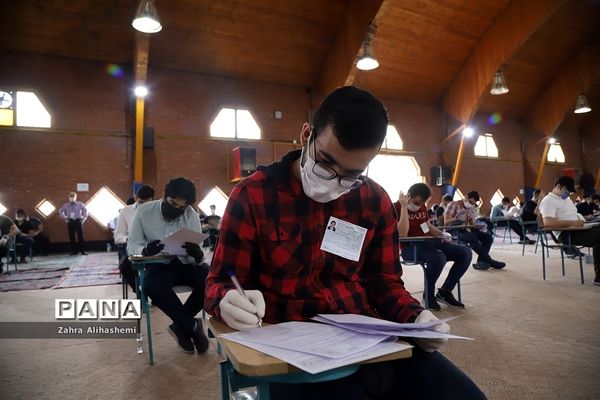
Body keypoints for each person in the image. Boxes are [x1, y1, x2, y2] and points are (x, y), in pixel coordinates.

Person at [205, 86, 486, 400]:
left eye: (351, 174)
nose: (333, 183)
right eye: (325, 163)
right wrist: (226, 299)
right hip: (290, 347)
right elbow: (218, 281)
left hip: (367, 338)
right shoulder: (253, 195)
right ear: (306, 135)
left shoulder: (372, 199)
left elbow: (385, 283)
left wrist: (416, 317)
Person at [127, 177, 210, 353]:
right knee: (150, 285)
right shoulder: (144, 212)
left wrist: (197, 254)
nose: (177, 210)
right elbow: (132, 245)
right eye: (173, 203)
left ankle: (182, 326)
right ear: (164, 196)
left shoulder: (191, 215)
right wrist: (145, 250)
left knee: (210, 278)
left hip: (184, 263)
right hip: (157, 264)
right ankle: (191, 325)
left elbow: (196, 251)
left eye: (182, 208)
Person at [396, 183, 472, 310]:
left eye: (422, 204)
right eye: (416, 202)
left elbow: (428, 227)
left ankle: (445, 292)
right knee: (438, 258)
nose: (418, 206)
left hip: (429, 243)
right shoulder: (396, 207)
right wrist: (404, 207)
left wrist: (442, 234)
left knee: (465, 253)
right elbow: (402, 234)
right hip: (410, 248)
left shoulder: (421, 208)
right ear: (408, 195)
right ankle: (428, 295)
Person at [539, 176, 600, 286]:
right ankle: (598, 277)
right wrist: (572, 223)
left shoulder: (565, 199)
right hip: (565, 233)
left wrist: (585, 220)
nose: (569, 194)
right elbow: (548, 223)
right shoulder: (548, 201)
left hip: (577, 228)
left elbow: (572, 215)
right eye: (568, 191)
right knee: (599, 237)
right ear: (559, 187)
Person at [445, 191, 506, 270]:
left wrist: (477, 225)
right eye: (470, 202)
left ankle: (481, 261)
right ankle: (490, 261)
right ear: (466, 197)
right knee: (471, 237)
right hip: (453, 230)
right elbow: (446, 222)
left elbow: (471, 224)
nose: (471, 204)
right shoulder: (453, 204)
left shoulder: (470, 208)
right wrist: (457, 218)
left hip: (465, 229)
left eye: (473, 203)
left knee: (488, 237)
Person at [114, 186, 154, 264]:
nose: (143, 206)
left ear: (153, 200)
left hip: (150, 247)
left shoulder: (156, 211)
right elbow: (118, 237)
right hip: (131, 246)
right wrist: (128, 239)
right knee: (127, 264)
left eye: (147, 203)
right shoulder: (126, 211)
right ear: (135, 198)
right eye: (141, 202)